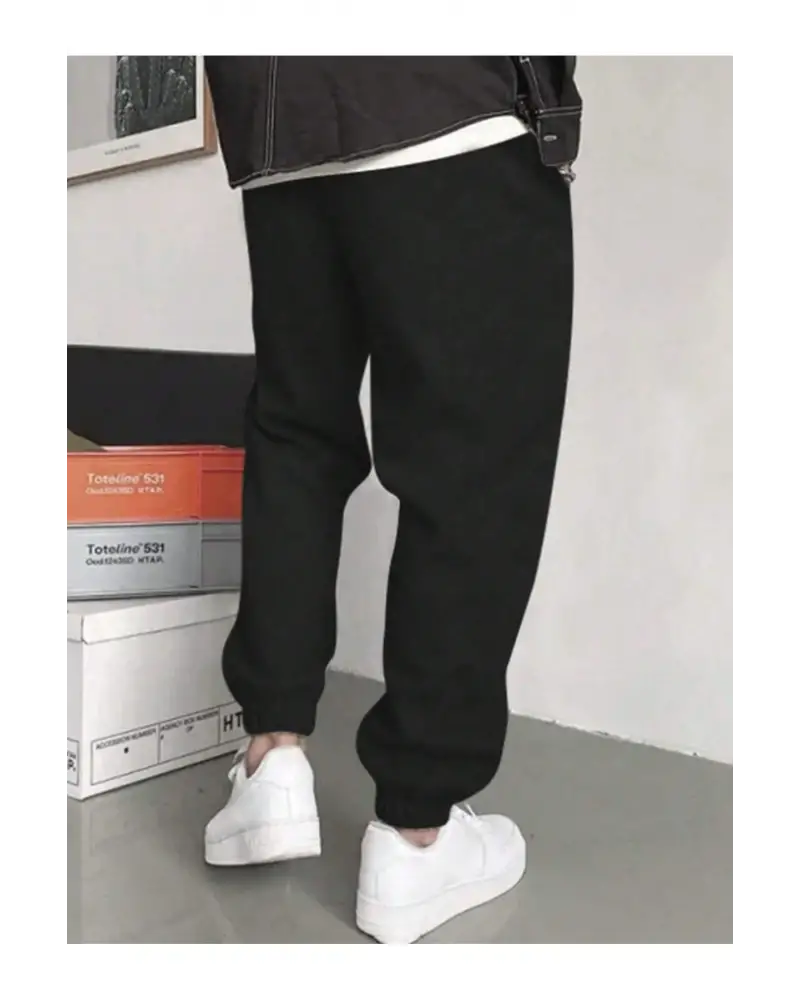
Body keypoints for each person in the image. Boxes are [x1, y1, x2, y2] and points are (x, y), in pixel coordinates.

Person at [202, 56, 581, 944]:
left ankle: (270, 760)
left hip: (281, 126)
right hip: (447, 99)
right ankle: (418, 832)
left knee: (297, 431)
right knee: (472, 460)